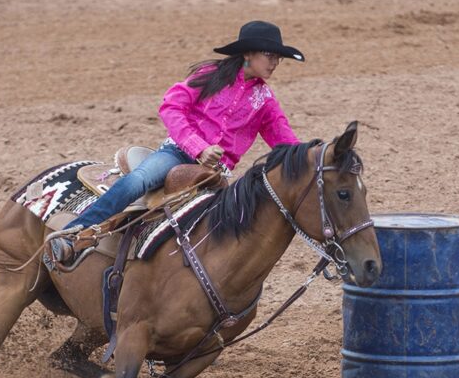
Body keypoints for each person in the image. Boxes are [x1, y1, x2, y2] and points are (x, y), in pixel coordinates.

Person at [50, 20, 304, 262]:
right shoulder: (211, 75)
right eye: (270, 56)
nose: (276, 63)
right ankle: (73, 233)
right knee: (140, 179)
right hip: (178, 154)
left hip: (215, 173)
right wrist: (199, 147)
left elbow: (284, 138)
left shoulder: (265, 99)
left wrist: (313, 155)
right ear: (249, 53)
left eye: (278, 57)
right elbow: (172, 107)